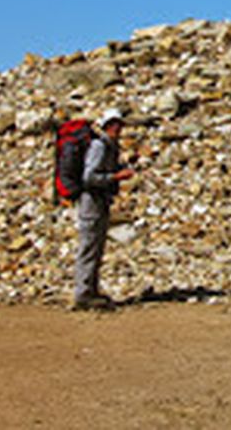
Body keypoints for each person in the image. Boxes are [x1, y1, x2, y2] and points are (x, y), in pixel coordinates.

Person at [74, 108, 135, 310]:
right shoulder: (99, 146)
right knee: (89, 247)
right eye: (116, 124)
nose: (119, 128)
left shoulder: (110, 147)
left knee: (97, 247)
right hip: (91, 204)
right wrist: (116, 177)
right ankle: (82, 294)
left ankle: (91, 290)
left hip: (100, 203)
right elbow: (89, 177)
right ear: (109, 125)